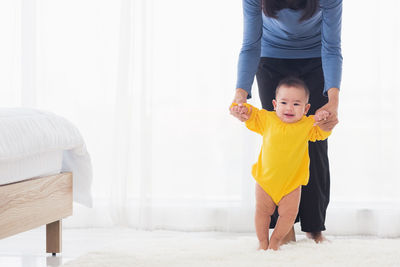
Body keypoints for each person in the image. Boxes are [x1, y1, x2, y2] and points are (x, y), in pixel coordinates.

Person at [229, 0, 342, 243]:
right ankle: (282, 224)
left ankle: (314, 226)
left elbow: (331, 47)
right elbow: (250, 44)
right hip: (270, 60)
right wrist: (241, 93)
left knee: (314, 144)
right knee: (277, 143)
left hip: (315, 60)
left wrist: (333, 100)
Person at [231, 77, 331, 250]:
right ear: (275, 104)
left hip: (292, 184)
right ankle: (263, 242)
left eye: (296, 104)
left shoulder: (307, 124)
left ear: (306, 108)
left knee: (288, 215)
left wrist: (324, 119)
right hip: (265, 181)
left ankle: (276, 240)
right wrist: (241, 107)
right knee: (262, 213)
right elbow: (251, 114)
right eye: (284, 102)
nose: (289, 108)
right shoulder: (267, 119)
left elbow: (321, 132)